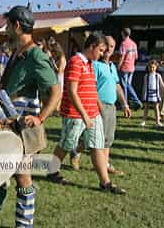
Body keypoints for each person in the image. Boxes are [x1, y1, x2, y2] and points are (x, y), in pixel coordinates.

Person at [0, 5, 61, 228]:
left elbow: (56, 91)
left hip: (22, 128)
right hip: (6, 123)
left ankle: (24, 224)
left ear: (17, 26)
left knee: (22, 176)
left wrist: (40, 118)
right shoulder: (17, 52)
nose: (6, 29)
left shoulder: (36, 56)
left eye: (8, 25)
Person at [47, 33, 126, 195]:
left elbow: (89, 90)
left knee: (98, 145)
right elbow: (72, 91)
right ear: (92, 47)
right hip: (76, 115)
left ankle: (105, 183)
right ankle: (51, 170)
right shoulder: (76, 62)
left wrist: (95, 110)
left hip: (93, 114)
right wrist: (84, 115)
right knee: (66, 145)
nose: (103, 54)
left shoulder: (90, 63)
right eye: (101, 50)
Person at [69, 36, 131, 174]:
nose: (108, 49)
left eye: (111, 47)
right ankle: (77, 151)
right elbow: (92, 87)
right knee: (95, 138)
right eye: (106, 46)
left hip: (111, 106)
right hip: (98, 105)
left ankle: (105, 164)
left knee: (108, 138)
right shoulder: (95, 64)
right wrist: (98, 105)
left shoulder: (112, 66)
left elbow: (118, 86)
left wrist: (125, 104)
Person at [118, 28, 143, 109]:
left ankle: (125, 104)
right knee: (128, 84)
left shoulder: (123, 44)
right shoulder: (134, 43)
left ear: (122, 33)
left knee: (124, 85)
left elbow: (122, 56)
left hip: (124, 67)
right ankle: (136, 101)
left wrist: (119, 65)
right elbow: (136, 57)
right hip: (131, 67)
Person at [141, 60, 164, 127]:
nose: (152, 69)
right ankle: (143, 121)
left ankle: (157, 122)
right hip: (148, 94)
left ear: (156, 67)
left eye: (153, 67)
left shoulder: (158, 75)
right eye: (150, 67)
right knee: (146, 107)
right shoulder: (146, 76)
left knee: (156, 108)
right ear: (148, 67)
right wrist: (143, 94)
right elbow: (144, 85)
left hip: (155, 94)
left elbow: (162, 85)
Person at [48, 42, 66, 113]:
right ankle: (56, 109)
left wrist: (53, 63)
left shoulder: (62, 58)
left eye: (54, 52)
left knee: (59, 94)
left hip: (59, 78)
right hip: (55, 77)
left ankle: (57, 109)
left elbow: (60, 71)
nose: (53, 54)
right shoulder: (57, 58)